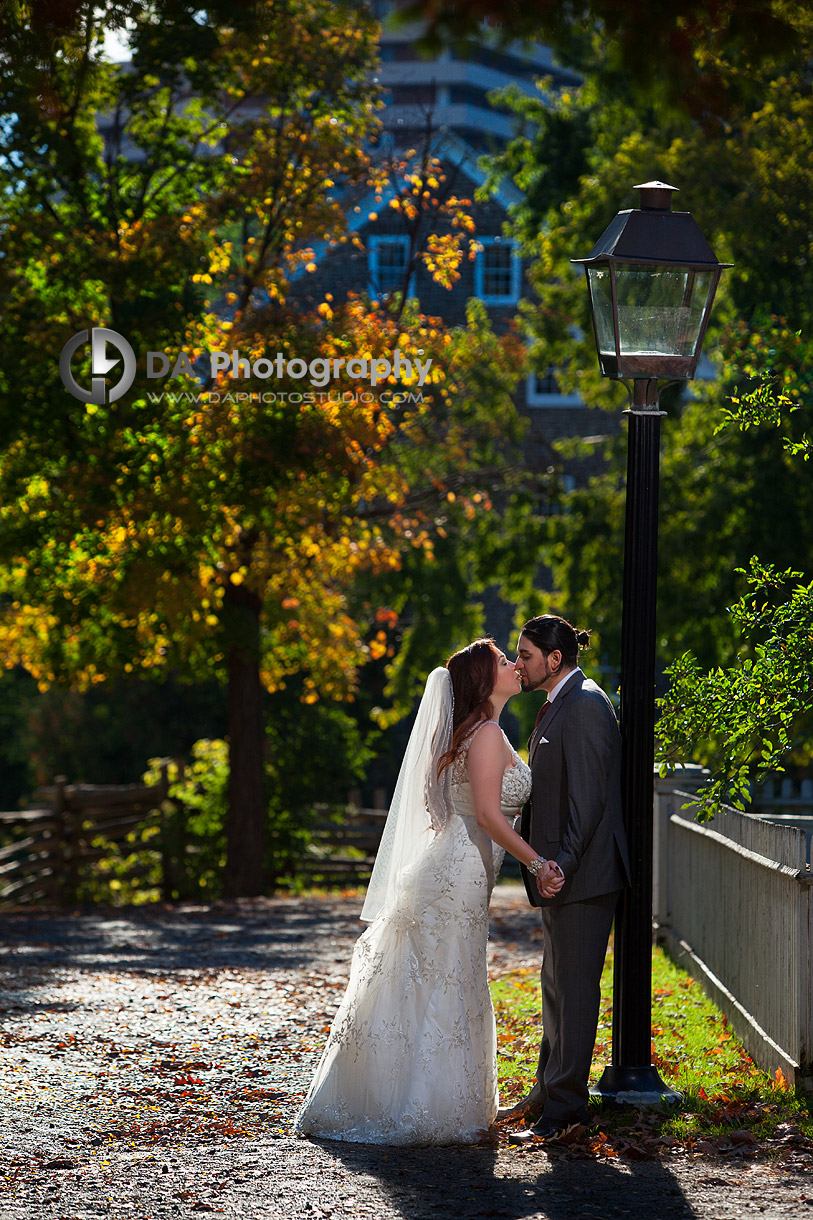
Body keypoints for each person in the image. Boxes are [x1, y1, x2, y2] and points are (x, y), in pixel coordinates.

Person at [293, 638, 562, 1145]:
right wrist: (538, 860)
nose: (513, 665)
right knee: (446, 977)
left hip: (464, 869)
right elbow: (486, 813)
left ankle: (427, 1096)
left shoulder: (486, 731)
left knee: (447, 975)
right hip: (457, 872)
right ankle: (424, 1103)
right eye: (504, 661)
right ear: (485, 681)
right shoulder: (483, 735)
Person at [504, 614, 631, 1145]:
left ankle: (567, 1111)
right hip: (563, 874)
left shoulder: (584, 706)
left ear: (554, 659)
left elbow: (589, 800)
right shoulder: (561, 704)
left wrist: (564, 866)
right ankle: (547, 1093)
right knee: (556, 988)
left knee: (575, 991)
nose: (518, 664)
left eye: (526, 655)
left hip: (583, 875)